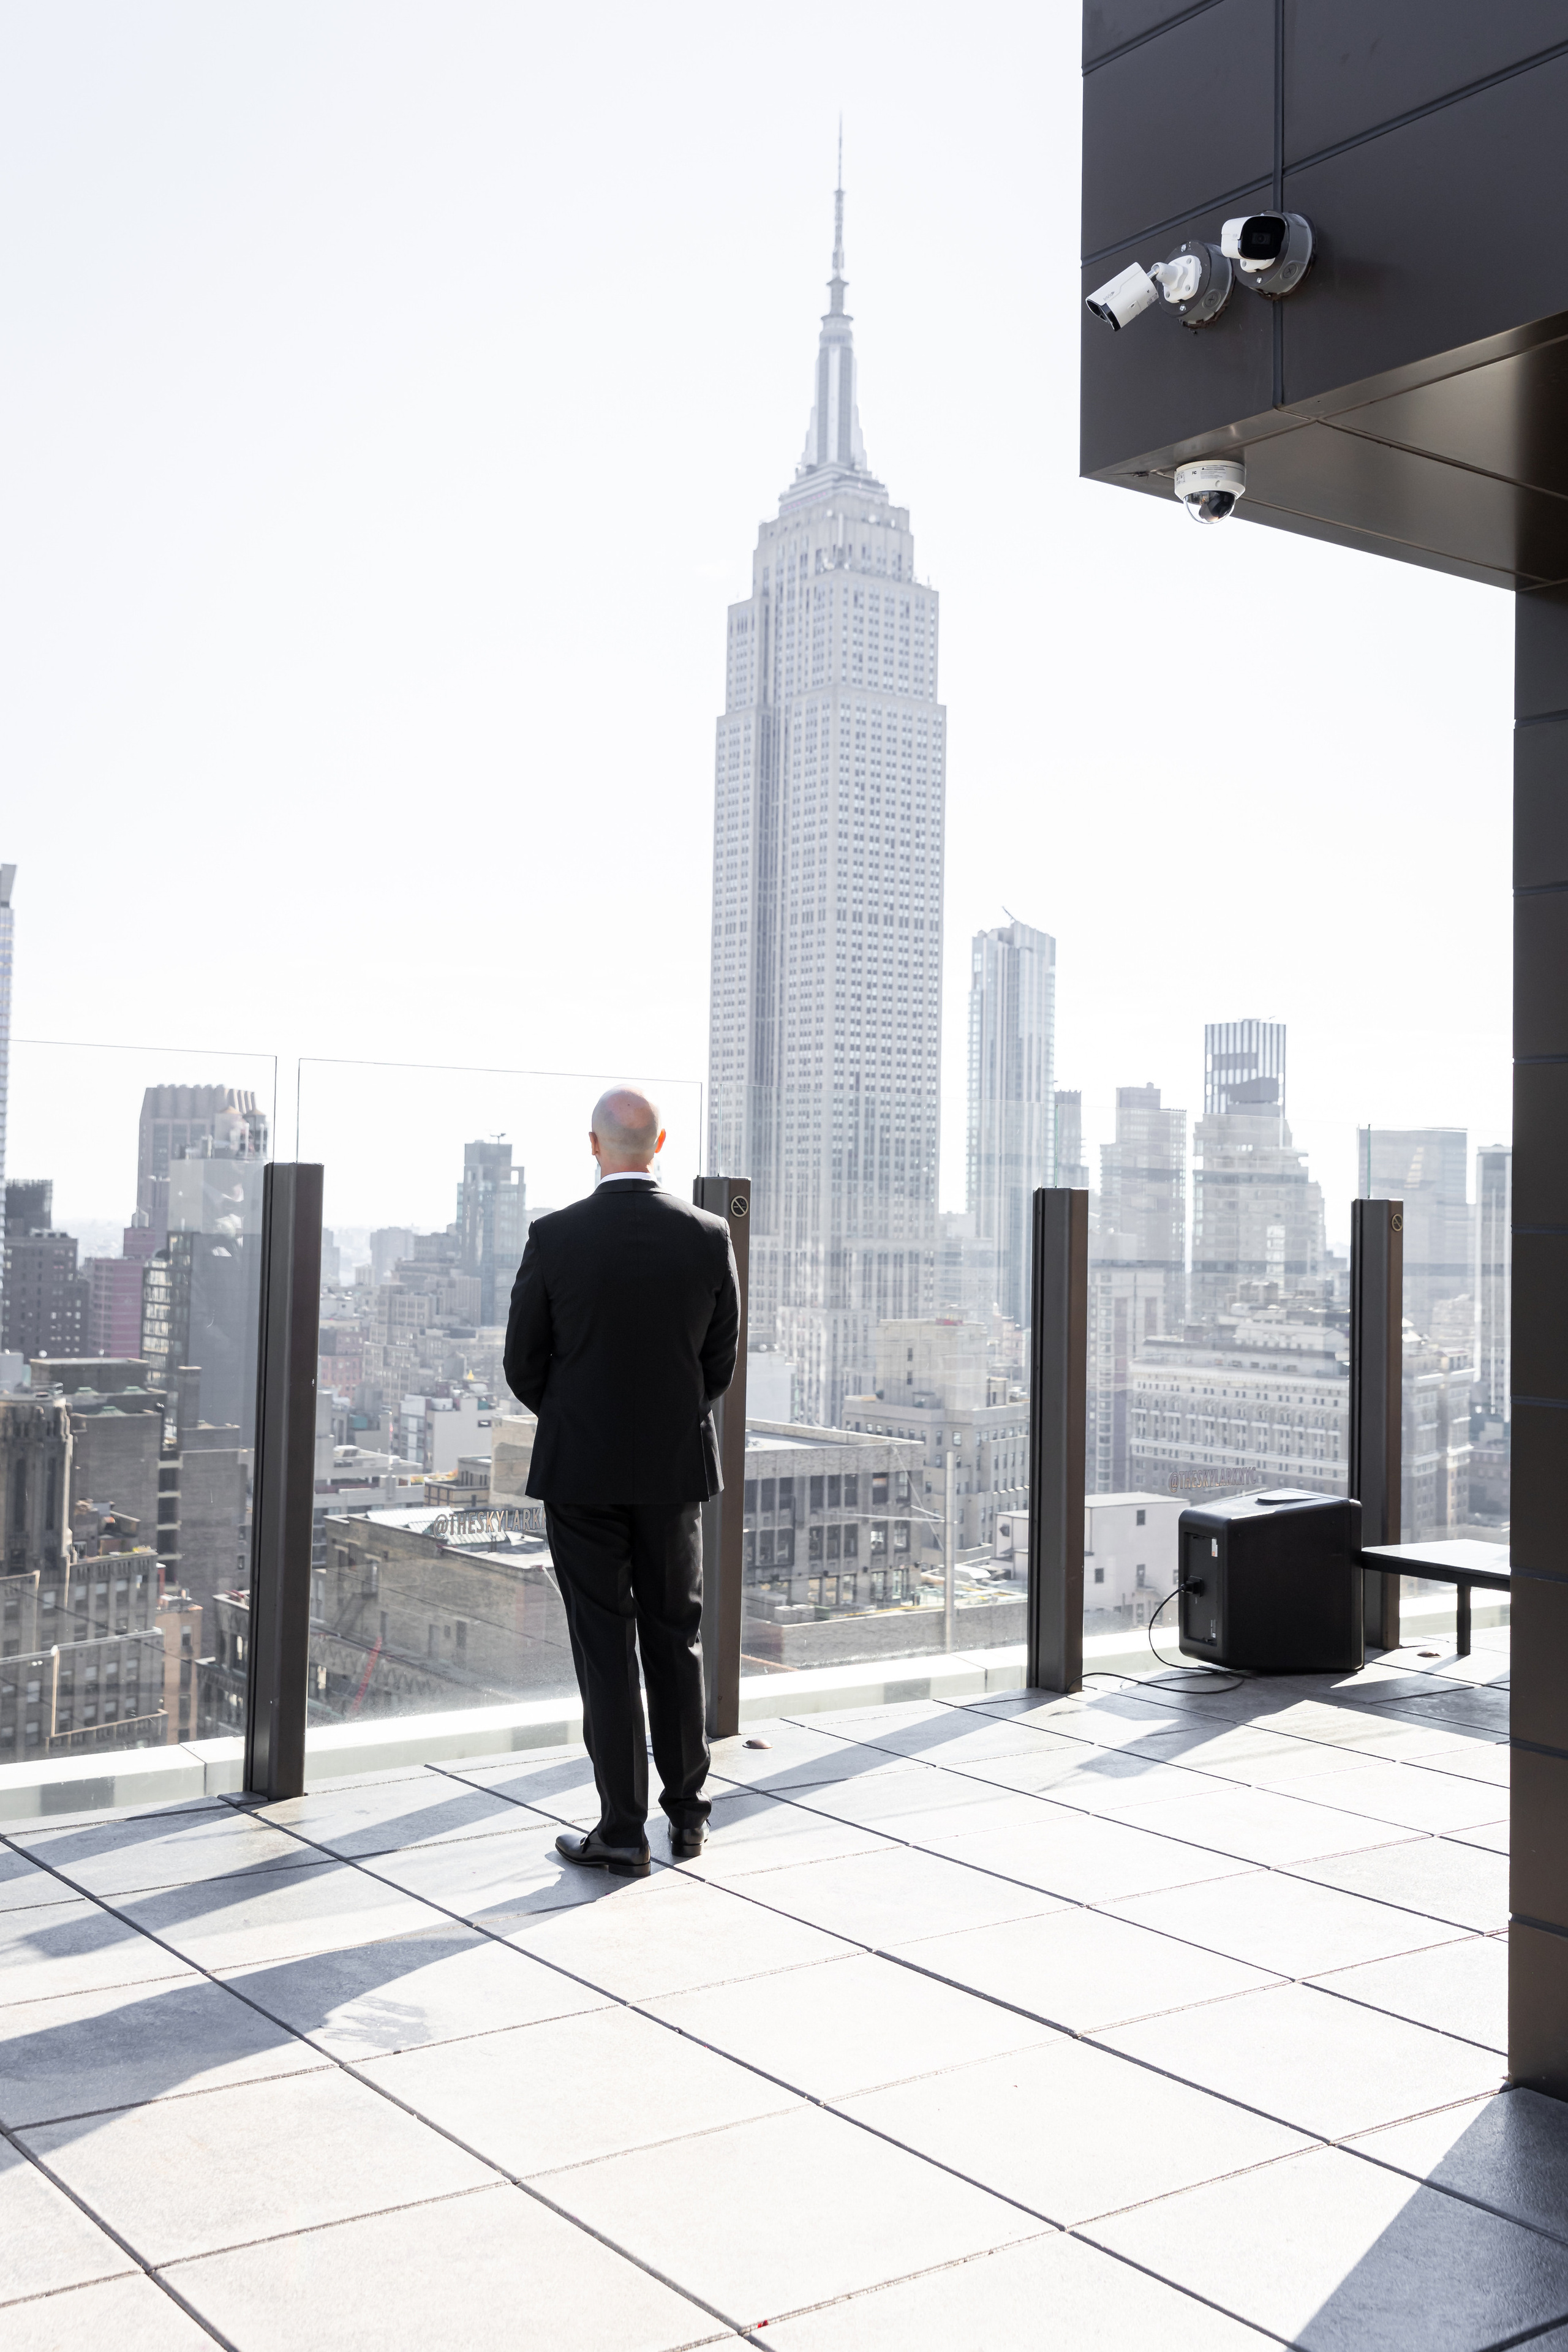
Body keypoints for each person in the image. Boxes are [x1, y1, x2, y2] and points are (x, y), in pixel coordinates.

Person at [503, 1085, 739, 1876]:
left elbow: (523, 1364)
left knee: (606, 1647)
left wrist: (578, 1418)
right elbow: (718, 1364)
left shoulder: (556, 1236)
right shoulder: (708, 1236)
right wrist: (666, 1421)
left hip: (582, 1469)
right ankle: (690, 1816)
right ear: (660, 1143)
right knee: (678, 1637)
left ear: (595, 1146)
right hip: (673, 1470)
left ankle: (621, 1830)